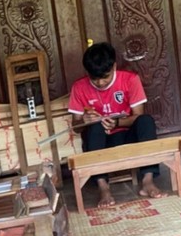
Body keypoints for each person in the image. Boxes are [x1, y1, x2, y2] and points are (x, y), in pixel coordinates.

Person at [68, 42, 164, 208]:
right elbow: (75, 127)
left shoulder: (130, 80)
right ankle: (103, 188)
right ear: (87, 73)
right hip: (101, 141)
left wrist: (117, 122)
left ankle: (147, 182)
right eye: (94, 78)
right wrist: (83, 120)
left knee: (146, 121)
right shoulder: (79, 87)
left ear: (114, 66)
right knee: (95, 127)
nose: (100, 83)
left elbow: (137, 116)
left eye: (105, 76)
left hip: (127, 136)